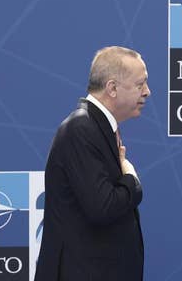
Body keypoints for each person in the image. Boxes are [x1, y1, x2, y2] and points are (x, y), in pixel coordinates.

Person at [35, 46, 151, 281]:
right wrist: (131, 180)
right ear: (112, 88)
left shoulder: (97, 127)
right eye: (140, 84)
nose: (147, 92)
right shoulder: (81, 129)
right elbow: (103, 207)